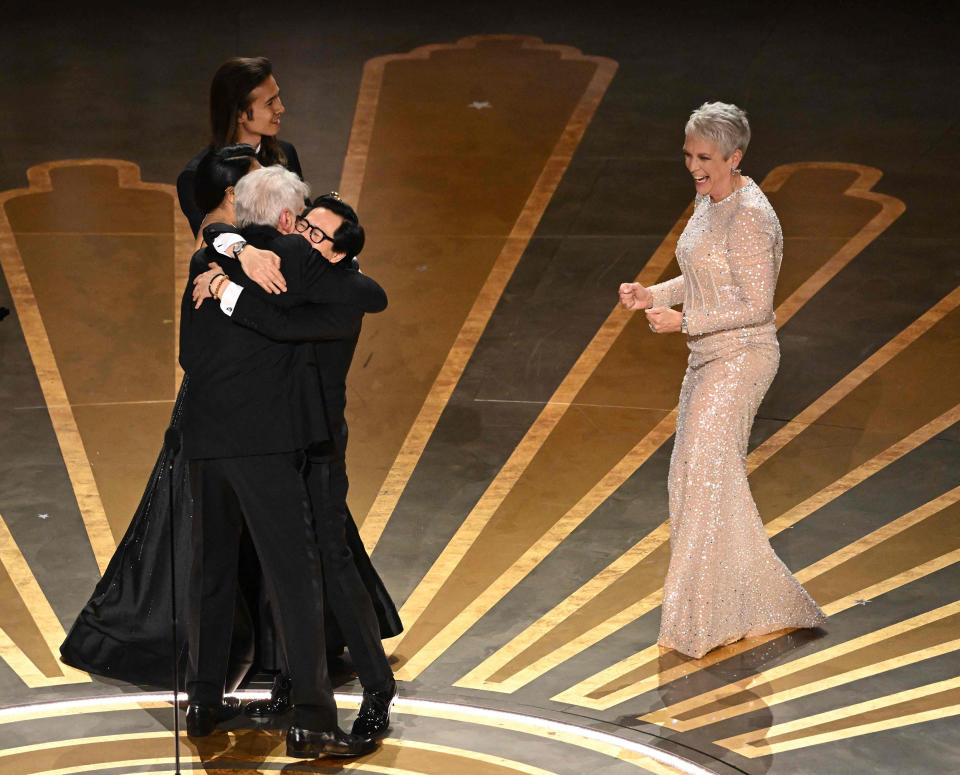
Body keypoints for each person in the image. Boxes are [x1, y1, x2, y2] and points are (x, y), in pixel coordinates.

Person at [180, 165, 386, 757]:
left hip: (203, 440)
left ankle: (202, 702)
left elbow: (189, 352)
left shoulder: (203, 263)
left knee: (211, 572)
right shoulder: (299, 262)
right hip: (269, 444)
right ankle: (314, 721)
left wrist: (225, 260)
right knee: (297, 579)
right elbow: (368, 293)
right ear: (291, 219)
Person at [619, 102, 826, 659]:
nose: (693, 165)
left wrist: (684, 322)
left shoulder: (753, 216)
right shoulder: (708, 198)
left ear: (735, 157)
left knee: (707, 474)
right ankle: (740, 603)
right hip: (706, 356)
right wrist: (654, 295)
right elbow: (702, 274)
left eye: (704, 157)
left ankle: (714, 616)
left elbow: (756, 306)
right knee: (691, 475)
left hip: (743, 358)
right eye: (688, 153)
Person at [177, 56, 302, 238]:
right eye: (270, 102)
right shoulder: (194, 177)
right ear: (239, 114)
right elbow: (213, 242)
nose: (280, 108)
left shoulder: (286, 153)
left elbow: (304, 217)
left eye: (278, 96)